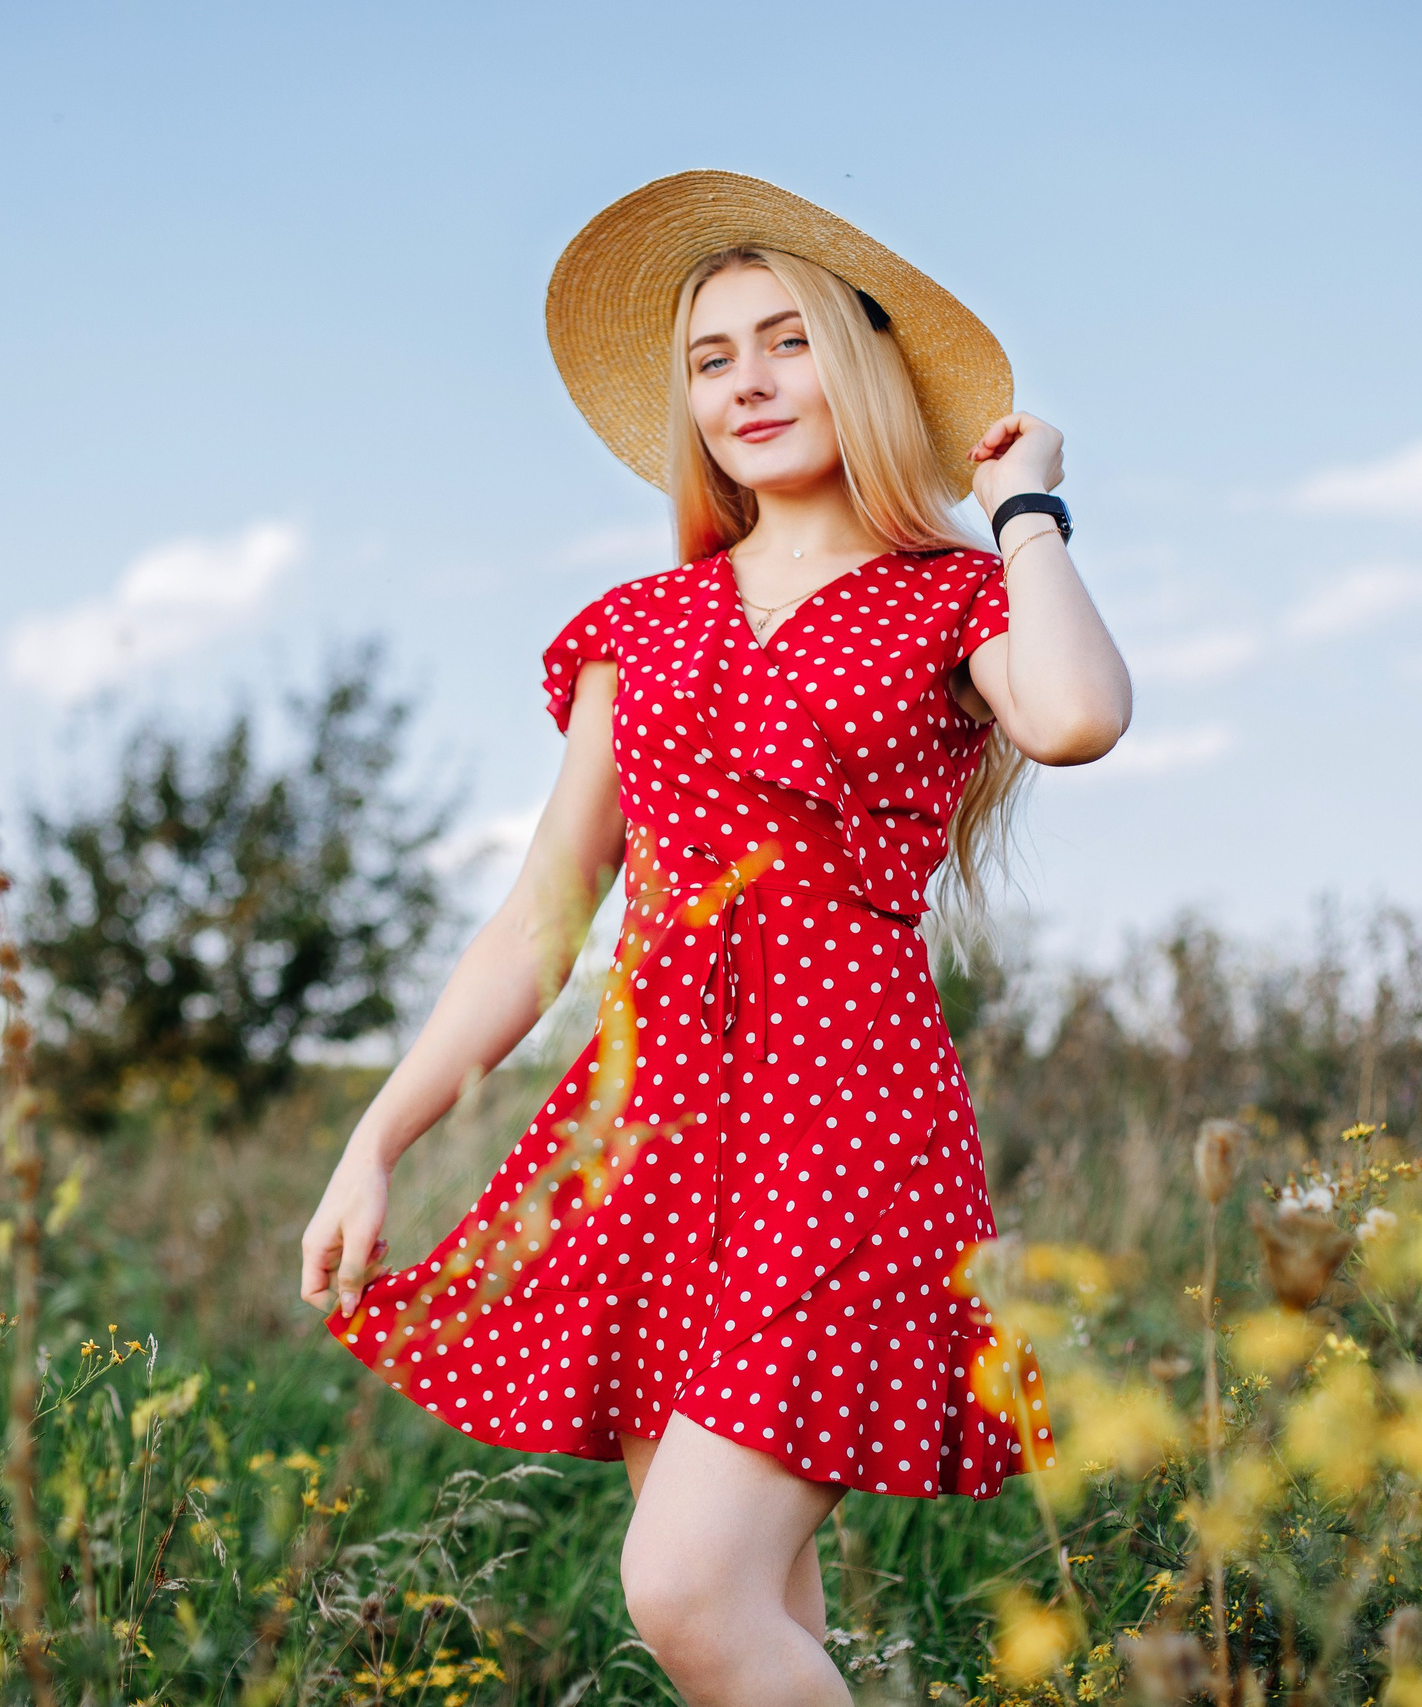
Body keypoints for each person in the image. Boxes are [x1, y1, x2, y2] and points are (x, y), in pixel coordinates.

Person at [299, 169, 1131, 1707]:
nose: (747, 383)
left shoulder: (954, 597)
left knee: (682, 1589)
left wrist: (1027, 507)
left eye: (787, 342)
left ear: (864, 369)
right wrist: (377, 1138)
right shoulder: (638, 625)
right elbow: (544, 916)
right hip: (657, 1137)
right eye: (711, 358)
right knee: (745, 1621)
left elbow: (1078, 716)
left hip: (849, 1133)